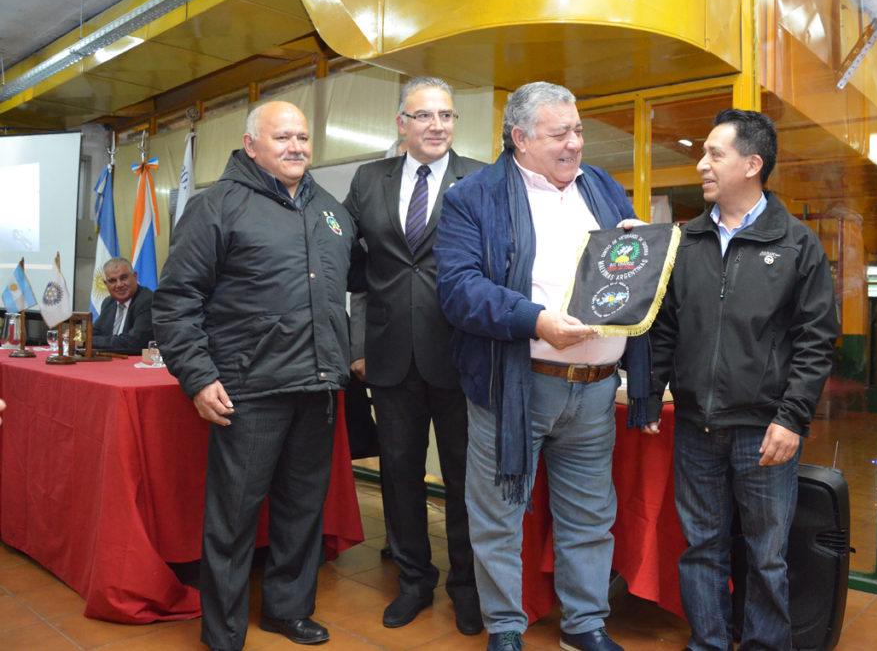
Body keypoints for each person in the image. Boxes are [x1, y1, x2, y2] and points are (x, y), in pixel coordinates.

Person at [435, 81, 649, 651]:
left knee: (589, 515)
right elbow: (458, 291)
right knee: (500, 517)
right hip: (515, 387)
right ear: (520, 138)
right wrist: (536, 321)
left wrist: (635, 249)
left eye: (578, 131)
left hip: (597, 391)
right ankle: (505, 628)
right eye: (561, 134)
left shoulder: (601, 187)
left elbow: (629, 271)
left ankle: (584, 626)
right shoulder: (472, 197)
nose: (575, 143)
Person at [152, 101, 360, 651]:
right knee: (234, 519)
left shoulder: (331, 210)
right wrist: (197, 378)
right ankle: (222, 633)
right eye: (282, 137)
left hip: (317, 389)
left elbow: (360, 288)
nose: (296, 147)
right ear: (251, 145)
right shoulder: (215, 206)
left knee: (301, 511)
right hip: (248, 392)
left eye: (303, 137)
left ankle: (288, 612)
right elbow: (176, 301)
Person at [644, 109, 838, 651]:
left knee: (765, 554)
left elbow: (816, 340)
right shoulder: (686, 241)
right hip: (695, 427)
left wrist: (792, 418)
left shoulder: (797, 244)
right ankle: (707, 641)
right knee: (700, 547)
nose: (701, 164)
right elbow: (665, 327)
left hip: (765, 432)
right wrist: (650, 393)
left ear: (752, 165)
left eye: (714, 154)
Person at [343, 76, 485, 634]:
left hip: (461, 355)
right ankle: (413, 581)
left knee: (463, 480)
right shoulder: (367, 179)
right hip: (389, 357)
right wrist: (358, 343)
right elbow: (353, 267)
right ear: (402, 124)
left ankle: (467, 587)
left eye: (446, 116)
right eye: (424, 116)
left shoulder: (481, 178)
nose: (437, 126)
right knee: (399, 475)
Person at [92, 256, 154, 353]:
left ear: (135, 276)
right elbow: (92, 334)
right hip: (113, 361)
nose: (119, 285)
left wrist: (88, 341)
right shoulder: (108, 302)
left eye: (124, 278)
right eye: (112, 281)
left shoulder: (147, 300)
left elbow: (133, 343)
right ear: (105, 284)